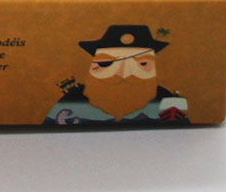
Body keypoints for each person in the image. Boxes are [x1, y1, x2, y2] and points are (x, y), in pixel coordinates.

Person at [44, 25, 189, 125]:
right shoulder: (74, 99)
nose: (124, 74)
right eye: (106, 64)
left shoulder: (165, 100)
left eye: (143, 64)